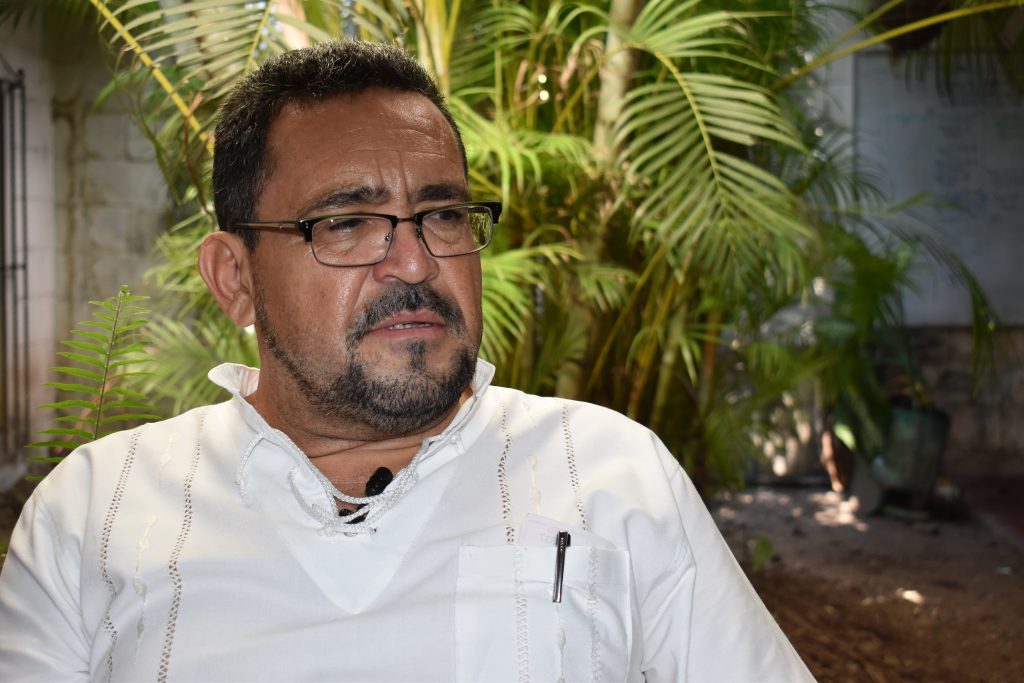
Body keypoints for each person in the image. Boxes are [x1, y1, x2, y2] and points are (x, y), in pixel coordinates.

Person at [0, 41, 813, 682]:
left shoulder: (613, 474)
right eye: (347, 223)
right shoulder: (96, 511)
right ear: (235, 278)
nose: (417, 262)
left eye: (443, 214)